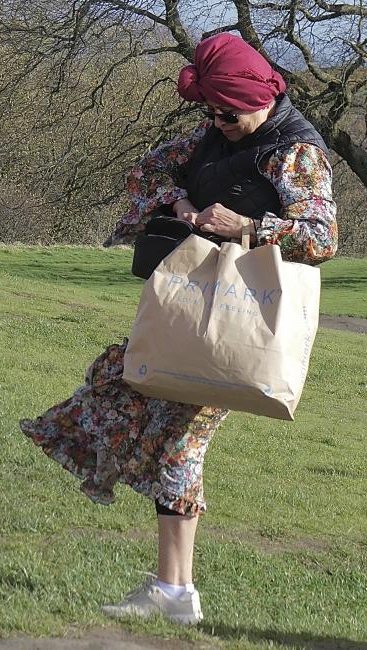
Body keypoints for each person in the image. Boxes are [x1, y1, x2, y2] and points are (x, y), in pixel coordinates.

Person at [20, 32, 337, 625]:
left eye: (229, 111)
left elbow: (322, 238)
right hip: (192, 312)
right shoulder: (213, 134)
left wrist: (247, 224)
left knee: (173, 440)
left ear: (257, 97)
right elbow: (146, 175)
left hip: (233, 328)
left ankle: (174, 590)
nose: (220, 121)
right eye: (212, 111)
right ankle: (174, 591)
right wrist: (181, 207)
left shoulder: (296, 152)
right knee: (140, 406)